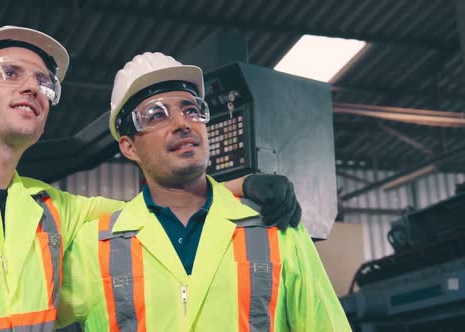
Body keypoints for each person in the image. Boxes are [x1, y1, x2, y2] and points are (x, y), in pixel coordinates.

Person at [0, 28, 301, 331]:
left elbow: (163, 211)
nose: (32, 87)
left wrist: (241, 187)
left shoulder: (56, 213)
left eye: (44, 82)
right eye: (9, 73)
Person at [60, 52, 350, 331]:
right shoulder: (94, 247)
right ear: (129, 147)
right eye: (156, 115)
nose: (182, 123)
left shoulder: (275, 225)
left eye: (191, 110)